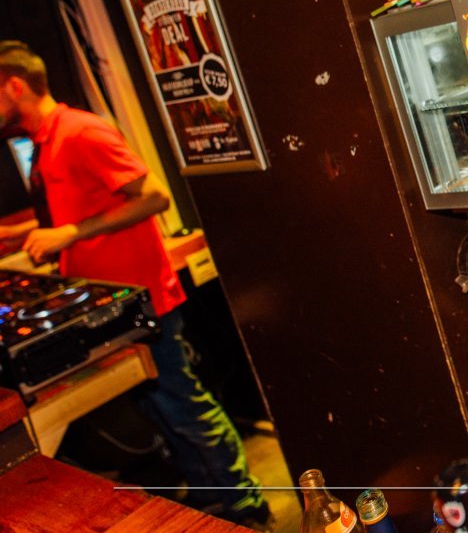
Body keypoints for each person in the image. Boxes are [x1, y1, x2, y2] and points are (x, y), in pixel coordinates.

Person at [0, 41, 272, 531]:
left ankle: (245, 506)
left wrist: (71, 233)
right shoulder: (47, 142)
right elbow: (78, 210)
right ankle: (213, 503)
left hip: (143, 300)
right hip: (114, 308)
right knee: (161, 408)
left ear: (14, 86)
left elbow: (154, 197)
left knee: (182, 405)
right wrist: (18, 234)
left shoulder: (80, 130)